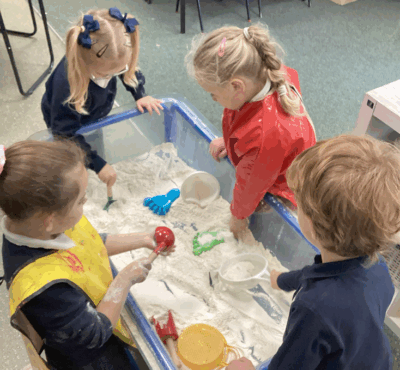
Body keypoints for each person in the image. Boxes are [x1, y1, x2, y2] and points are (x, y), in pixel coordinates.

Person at [226, 134, 398, 370]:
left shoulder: (314, 309)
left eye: (299, 202)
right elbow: (315, 275)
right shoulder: (377, 266)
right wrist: (282, 280)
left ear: (315, 228)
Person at [0, 140, 174, 370]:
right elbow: (96, 333)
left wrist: (143, 239)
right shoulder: (46, 290)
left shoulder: (33, 224)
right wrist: (124, 280)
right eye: (81, 200)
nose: (86, 202)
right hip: (91, 358)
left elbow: (88, 243)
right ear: (50, 221)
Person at [185, 24, 316, 239]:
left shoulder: (265, 138)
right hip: (273, 158)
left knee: (260, 211)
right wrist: (230, 144)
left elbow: (249, 188)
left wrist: (238, 218)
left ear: (237, 87)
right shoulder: (265, 73)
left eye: (213, 94)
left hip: (283, 182)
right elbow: (244, 125)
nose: (213, 99)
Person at [41, 7, 163, 193]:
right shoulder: (66, 87)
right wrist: (98, 164)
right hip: (64, 118)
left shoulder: (110, 59)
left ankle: (92, 157)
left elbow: (128, 71)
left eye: (118, 71)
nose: (114, 76)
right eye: (106, 74)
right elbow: (64, 133)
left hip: (94, 113)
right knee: (70, 156)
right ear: (83, 63)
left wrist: (140, 94)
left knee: (93, 141)